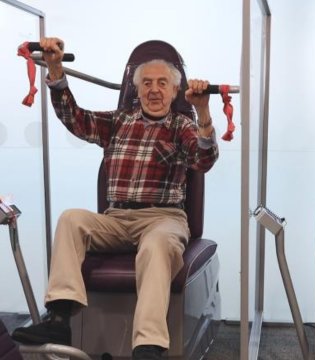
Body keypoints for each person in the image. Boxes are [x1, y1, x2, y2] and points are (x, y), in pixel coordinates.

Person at [11, 37, 219, 360]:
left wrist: (204, 110)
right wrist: (55, 69)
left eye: (162, 83)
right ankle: (60, 318)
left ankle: (148, 346)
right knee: (71, 219)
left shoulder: (182, 126)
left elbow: (204, 160)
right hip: (116, 219)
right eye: (146, 83)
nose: (153, 90)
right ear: (136, 90)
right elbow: (74, 118)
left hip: (163, 219)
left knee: (157, 245)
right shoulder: (119, 122)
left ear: (175, 91)